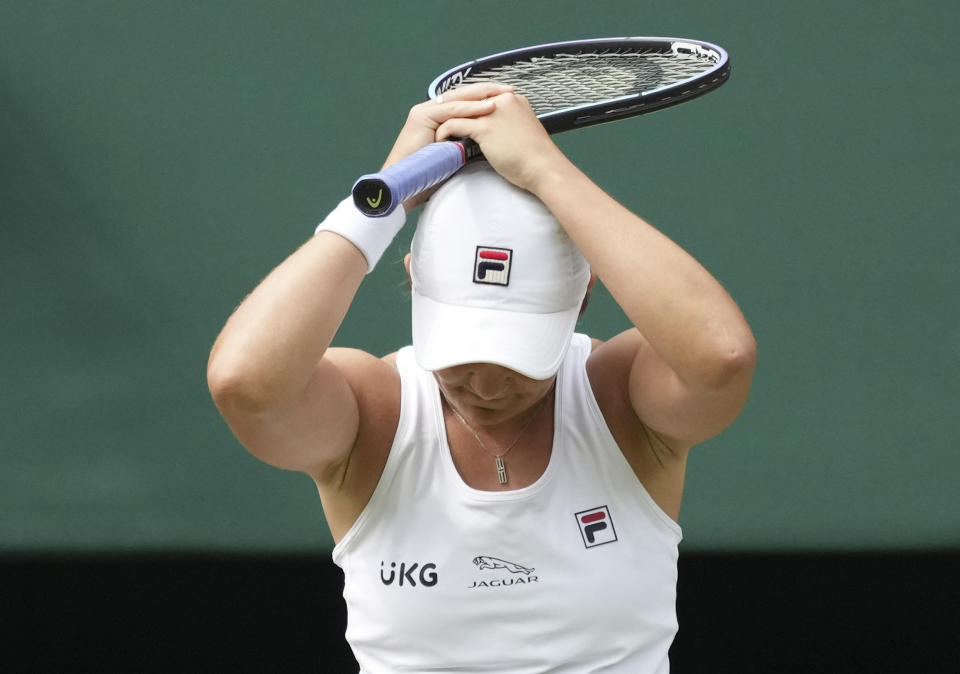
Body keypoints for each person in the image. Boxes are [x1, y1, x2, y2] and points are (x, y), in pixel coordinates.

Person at [207, 82, 757, 673]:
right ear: (414, 277)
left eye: (521, 358)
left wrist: (549, 172)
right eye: (462, 350)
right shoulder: (375, 412)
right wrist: (381, 200)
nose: (487, 388)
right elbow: (245, 382)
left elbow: (721, 356)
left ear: (584, 293)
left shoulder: (620, 397)